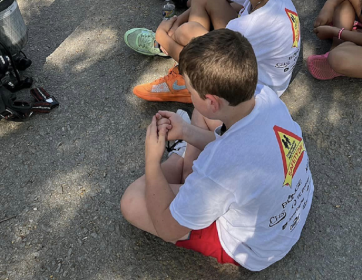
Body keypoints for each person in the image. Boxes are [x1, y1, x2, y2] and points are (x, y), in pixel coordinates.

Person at [120, 29, 314, 271]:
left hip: (257, 247)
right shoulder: (265, 97)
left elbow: (168, 228)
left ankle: (179, 159)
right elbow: (236, 146)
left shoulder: (221, 166)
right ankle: (184, 164)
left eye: (190, 91)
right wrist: (186, 132)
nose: (190, 96)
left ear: (212, 101)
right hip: (285, 208)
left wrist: (152, 160)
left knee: (133, 199)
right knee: (199, 119)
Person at [124, 0, 301, 102]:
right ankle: (176, 43)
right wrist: (176, 20)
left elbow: (212, 63)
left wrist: (162, 36)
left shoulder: (249, 25)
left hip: (253, 90)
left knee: (185, 33)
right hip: (252, 59)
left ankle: (186, 79)